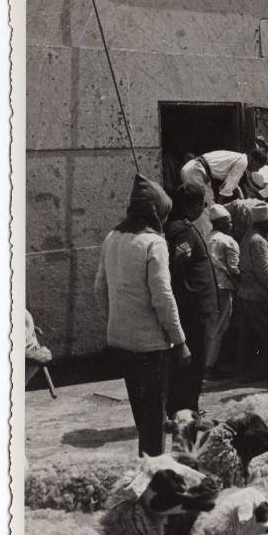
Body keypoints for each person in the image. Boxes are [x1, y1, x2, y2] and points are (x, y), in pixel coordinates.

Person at [94, 174, 188, 457]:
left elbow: (99, 287)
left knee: (142, 414)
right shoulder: (154, 243)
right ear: (156, 213)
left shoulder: (113, 237)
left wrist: (116, 320)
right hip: (151, 346)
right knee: (155, 421)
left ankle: (146, 466)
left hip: (121, 342)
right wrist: (180, 340)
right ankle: (154, 474)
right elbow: (162, 296)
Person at [164, 183, 219, 415]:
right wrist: (190, 296)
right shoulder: (183, 230)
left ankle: (184, 407)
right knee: (194, 362)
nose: (203, 208)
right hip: (195, 309)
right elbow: (177, 267)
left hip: (196, 307)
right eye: (203, 204)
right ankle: (187, 409)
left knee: (193, 361)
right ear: (193, 204)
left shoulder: (180, 226)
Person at [237, 203, 268, 378]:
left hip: (246, 293)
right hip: (257, 296)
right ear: (267, 223)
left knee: (249, 335)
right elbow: (265, 273)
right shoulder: (258, 240)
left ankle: (247, 372)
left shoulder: (249, 236)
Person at [205, 204, 241, 375]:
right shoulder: (228, 241)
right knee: (221, 326)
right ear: (219, 222)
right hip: (224, 287)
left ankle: (205, 362)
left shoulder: (205, 238)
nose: (231, 224)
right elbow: (234, 269)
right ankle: (210, 366)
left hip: (207, 288)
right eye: (228, 221)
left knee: (210, 326)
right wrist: (240, 287)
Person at [180, 150, 252, 206]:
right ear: (253, 160)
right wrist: (218, 207)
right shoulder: (243, 162)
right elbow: (228, 187)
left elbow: (233, 185)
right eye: (260, 166)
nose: (258, 169)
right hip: (196, 171)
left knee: (196, 205)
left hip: (191, 168)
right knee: (208, 208)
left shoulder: (236, 157)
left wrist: (242, 200)